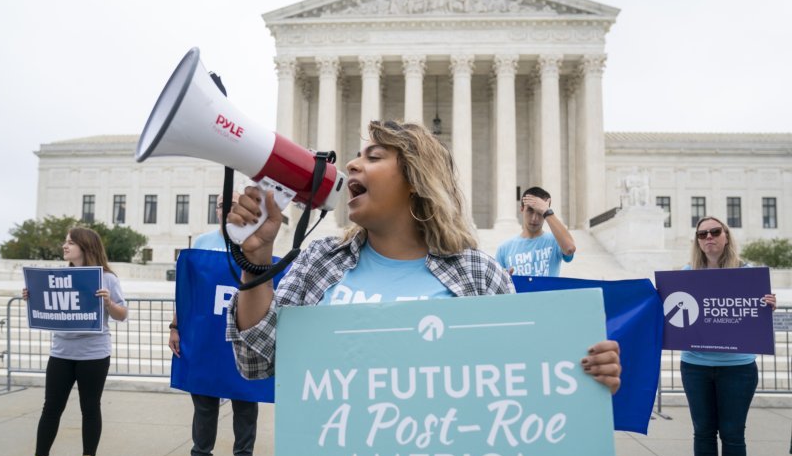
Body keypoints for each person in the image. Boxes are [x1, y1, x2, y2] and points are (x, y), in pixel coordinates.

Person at [224, 120, 620, 396]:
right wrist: (256, 259)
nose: (350, 165)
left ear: (416, 179)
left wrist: (586, 374)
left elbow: (522, 377)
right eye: (357, 156)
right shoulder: (319, 259)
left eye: (374, 156)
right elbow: (255, 361)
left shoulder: (479, 275)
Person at [680, 216, 776, 456]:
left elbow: (756, 313)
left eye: (714, 232)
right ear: (697, 240)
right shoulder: (686, 275)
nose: (708, 237)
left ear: (726, 236)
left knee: (733, 435)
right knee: (703, 433)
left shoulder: (747, 275)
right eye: (702, 233)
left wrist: (768, 305)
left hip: (737, 368)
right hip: (695, 365)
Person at [17, 227, 128, 456]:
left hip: (94, 354)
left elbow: (122, 314)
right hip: (61, 353)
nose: (65, 246)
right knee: (51, 409)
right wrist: (32, 298)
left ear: (86, 246)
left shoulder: (107, 278)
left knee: (90, 408)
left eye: (71, 242)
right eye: (65, 242)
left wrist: (109, 303)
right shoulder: (58, 276)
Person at [169, 192, 259, 456]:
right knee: (204, 403)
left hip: (242, 336)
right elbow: (187, 290)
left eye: (235, 205)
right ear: (217, 209)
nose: (229, 210)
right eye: (224, 205)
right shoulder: (203, 243)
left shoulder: (257, 243)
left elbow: (265, 290)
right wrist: (175, 326)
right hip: (206, 335)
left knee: (245, 402)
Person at [495, 186, 576, 277]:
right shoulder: (504, 249)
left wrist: (546, 211)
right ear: (522, 209)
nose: (534, 218)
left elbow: (570, 248)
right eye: (530, 210)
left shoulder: (556, 241)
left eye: (540, 212)